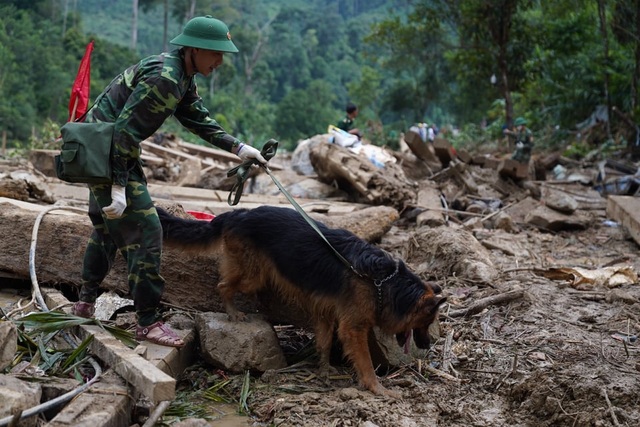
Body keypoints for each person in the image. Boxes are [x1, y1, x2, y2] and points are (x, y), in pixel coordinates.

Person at [71, 15, 268, 348]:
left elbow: (196, 119)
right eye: (215, 53)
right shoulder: (166, 78)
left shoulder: (182, 75)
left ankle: (84, 302)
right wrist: (118, 186)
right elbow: (124, 132)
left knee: (107, 229)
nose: (219, 61)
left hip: (109, 151)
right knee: (148, 231)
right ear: (194, 48)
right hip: (106, 153)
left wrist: (238, 148)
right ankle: (147, 321)